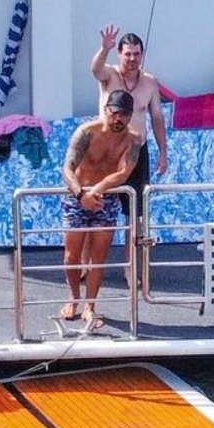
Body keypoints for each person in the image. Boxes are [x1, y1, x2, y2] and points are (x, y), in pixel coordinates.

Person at [59, 91, 141, 332]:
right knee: (71, 257)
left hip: (104, 200)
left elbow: (124, 173)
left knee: (98, 259)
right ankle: (74, 297)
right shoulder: (86, 132)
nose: (119, 119)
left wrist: (98, 190)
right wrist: (81, 194)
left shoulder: (133, 139)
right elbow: (67, 169)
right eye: (115, 112)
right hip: (77, 197)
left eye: (124, 114)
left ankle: (90, 305)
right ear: (106, 110)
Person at [91, 27, 169, 216]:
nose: (132, 58)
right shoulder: (109, 75)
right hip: (108, 149)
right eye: (127, 54)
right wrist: (104, 49)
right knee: (100, 206)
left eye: (136, 54)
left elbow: (157, 118)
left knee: (137, 210)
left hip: (136, 150)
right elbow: (95, 70)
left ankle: (134, 246)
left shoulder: (150, 82)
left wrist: (163, 153)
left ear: (142, 54)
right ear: (119, 54)